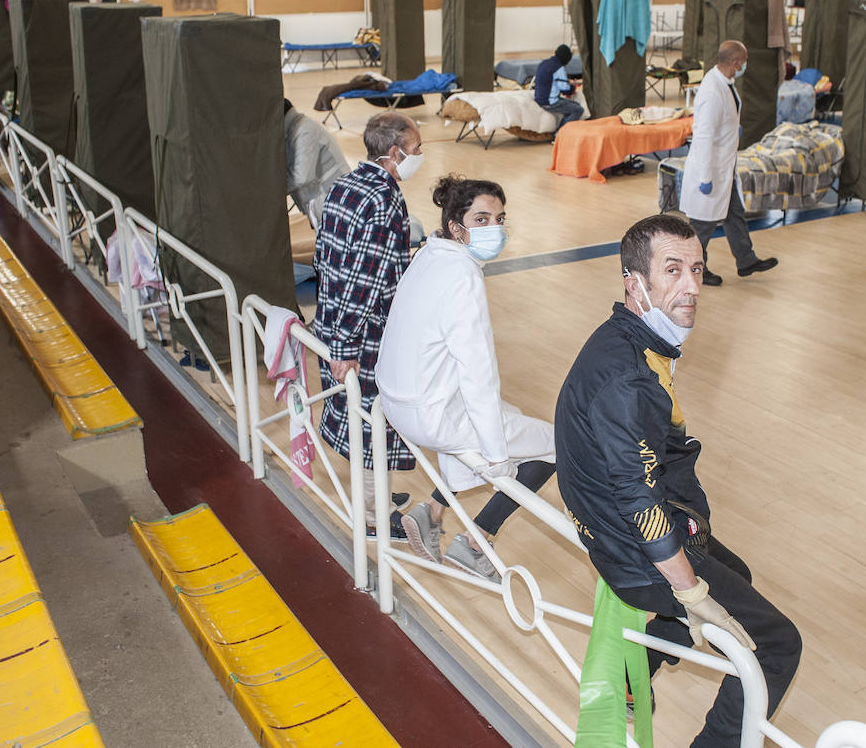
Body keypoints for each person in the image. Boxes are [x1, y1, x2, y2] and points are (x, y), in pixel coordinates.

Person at [554, 214, 803, 747]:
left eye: (696, 268)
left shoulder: (626, 336)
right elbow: (638, 498)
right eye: (672, 271)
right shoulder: (628, 379)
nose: (691, 286)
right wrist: (689, 591)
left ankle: (630, 676)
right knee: (778, 644)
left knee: (736, 573)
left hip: (621, 525)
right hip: (632, 548)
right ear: (634, 281)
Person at [377, 176, 557, 582]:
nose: (495, 228)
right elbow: (478, 374)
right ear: (457, 227)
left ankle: (432, 512)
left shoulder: (430, 254)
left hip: (396, 401)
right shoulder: (464, 277)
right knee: (551, 446)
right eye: (482, 218)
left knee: (503, 420)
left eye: (499, 218)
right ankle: (477, 544)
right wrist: (497, 460)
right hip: (432, 414)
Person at [313, 111, 425, 537]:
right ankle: (376, 516)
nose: (419, 156)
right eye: (415, 149)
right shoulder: (384, 199)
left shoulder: (347, 182)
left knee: (360, 418)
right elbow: (366, 280)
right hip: (364, 332)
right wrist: (345, 346)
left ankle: (378, 494)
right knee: (373, 420)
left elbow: (327, 257)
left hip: (334, 314)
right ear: (394, 153)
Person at [681, 40, 777, 286]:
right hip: (710, 169)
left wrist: (733, 128)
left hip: (724, 165)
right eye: (743, 62)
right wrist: (705, 178)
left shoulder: (725, 84)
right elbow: (703, 137)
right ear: (735, 63)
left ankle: (746, 260)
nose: (744, 66)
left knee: (735, 213)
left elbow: (723, 120)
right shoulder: (713, 91)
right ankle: (692, 272)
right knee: (702, 226)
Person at [533, 44, 583, 130]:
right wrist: (573, 87)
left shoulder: (544, 63)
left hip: (539, 98)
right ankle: (559, 134)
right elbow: (565, 89)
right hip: (550, 102)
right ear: (567, 59)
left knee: (575, 106)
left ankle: (561, 129)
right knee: (578, 109)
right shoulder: (559, 68)